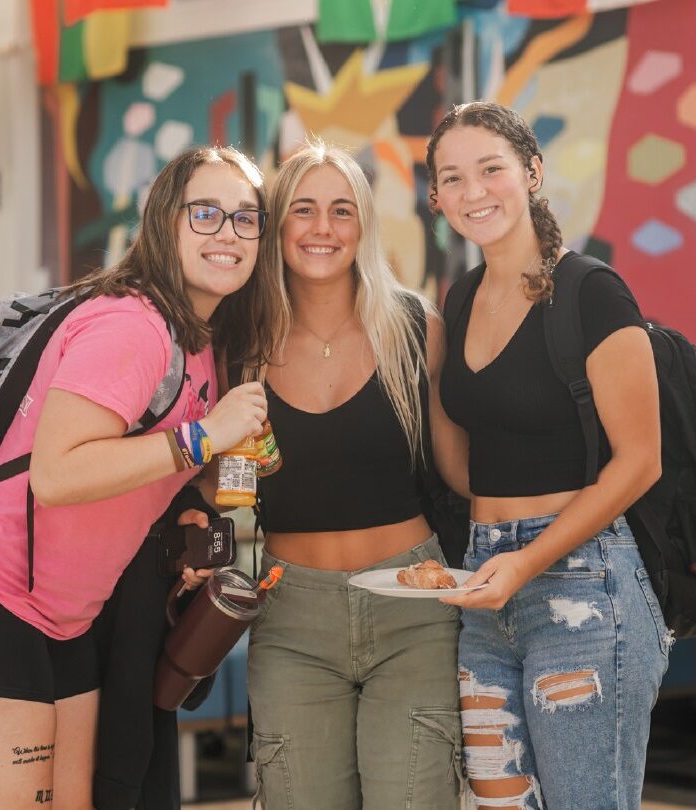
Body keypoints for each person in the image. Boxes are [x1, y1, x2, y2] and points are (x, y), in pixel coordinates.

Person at [0, 146, 277, 810]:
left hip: (67, 618)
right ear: (165, 221)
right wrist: (202, 437)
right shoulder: (131, 326)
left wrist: (207, 490)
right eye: (207, 213)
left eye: (247, 219)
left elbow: (152, 469)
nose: (229, 234)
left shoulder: (202, 342)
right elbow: (59, 473)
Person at [426, 101, 667, 809]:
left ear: (531, 172)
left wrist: (525, 562)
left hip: (584, 590)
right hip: (484, 582)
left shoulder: (592, 291)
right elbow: (468, 464)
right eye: (453, 178)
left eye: (491, 169)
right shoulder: (461, 299)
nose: (475, 192)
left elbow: (640, 460)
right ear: (436, 198)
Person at [229, 141, 465, 808]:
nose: (323, 229)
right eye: (303, 210)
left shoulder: (417, 331)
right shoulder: (241, 346)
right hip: (292, 615)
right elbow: (214, 482)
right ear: (277, 224)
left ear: (363, 225)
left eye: (341, 211)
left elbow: (461, 475)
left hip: (414, 608)